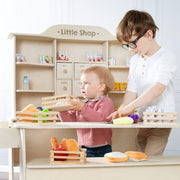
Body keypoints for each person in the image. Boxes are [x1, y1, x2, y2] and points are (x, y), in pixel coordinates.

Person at [107, 10, 177, 156]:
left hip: (161, 120)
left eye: (132, 44)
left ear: (149, 35)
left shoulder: (166, 57)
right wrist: (122, 111)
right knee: (139, 156)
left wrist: (130, 107)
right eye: (127, 46)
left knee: (151, 158)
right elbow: (131, 90)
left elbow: (158, 88)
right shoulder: (135, 61)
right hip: (141, 119)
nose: (131, 50)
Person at [58, 66, 115, 157]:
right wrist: (62, 110)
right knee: (85, 170)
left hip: (101, 148)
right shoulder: (82, 103)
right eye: (81, 83)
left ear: (101, 86)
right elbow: (68, 122)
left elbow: (100, 119)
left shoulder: (106, 102)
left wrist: (82, 108)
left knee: (101, 171)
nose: (82, 87)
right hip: (83, 147)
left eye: (86, 83)